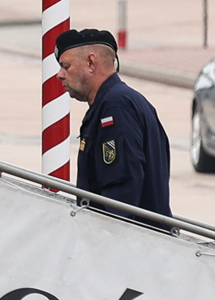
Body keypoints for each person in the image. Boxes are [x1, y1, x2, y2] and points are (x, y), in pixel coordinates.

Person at [54, 28, 172, 224]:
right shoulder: (120, 102)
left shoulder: (115, 108)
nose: (60, 75)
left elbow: (120, 194)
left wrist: (107, 235)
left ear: (91, 63)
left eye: (66, 66)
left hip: (126, 238)